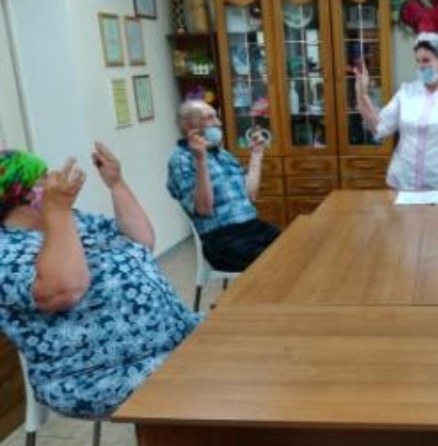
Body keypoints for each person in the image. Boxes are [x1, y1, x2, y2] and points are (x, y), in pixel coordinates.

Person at [0, 144, 201, 417]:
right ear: (20, 194)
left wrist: (116, 183)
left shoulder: (73, 219)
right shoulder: (8, 248)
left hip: (174, 336)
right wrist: (57, 212)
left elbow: (142, 241)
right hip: (97, 373)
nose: (54, 179)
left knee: (243, 340)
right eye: (43, 177)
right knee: (215, 378)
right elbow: (66, 290)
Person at [354, 32, 438, 190]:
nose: (421, 66)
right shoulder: (406, 92)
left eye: (426, 60)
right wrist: (362, 94)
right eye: (418, 61)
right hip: (405, 182)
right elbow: (379, 128)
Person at [167, 100, 280, 272]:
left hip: (253, 226)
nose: (218, 123)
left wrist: (256, 155)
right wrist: (200, 159)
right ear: (190, 126)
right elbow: (204, 208)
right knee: (276, 264)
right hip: (221, 238)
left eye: (216, 117)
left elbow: (250, 195)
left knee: (296, 249)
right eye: (210, 118)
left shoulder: (222, 154)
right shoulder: (180, 159)